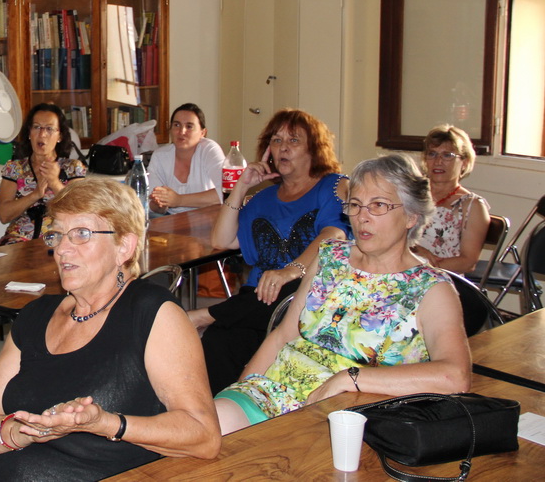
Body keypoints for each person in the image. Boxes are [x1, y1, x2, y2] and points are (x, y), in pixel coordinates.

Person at [0, 179, 220, 480]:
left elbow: (204, 436)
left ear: (124, 246)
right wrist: (22, 431)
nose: (62, 249)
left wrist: (106, 424)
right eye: (56, 235)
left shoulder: (151, 313)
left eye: (81, 234)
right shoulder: (35, 316)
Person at [214, 153, 472, 434]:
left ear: (412, 215)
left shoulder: (430, 288)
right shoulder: (330, 257)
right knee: (207, 425)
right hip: (272, 392)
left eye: (378, 205)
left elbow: (454, 376)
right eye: (356, 205)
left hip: (345, 415)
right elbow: (283, 336)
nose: (362, 217)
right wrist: (240, 388)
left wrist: (351, 378)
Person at [187, 109, 351, 393]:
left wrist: (291, 271)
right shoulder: (262, 198)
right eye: (276, 140)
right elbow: (222, 240)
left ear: (314, 148)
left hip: (307, 296)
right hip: (256, 301)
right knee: (219, 340)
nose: (283, 148)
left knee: (289, 290)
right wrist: (241, 186)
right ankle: (218, 411)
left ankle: (205, 314)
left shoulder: (333, 185)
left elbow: (334, 235)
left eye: (294, 140)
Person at [0, 103, 86, 245]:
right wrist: (35, 195)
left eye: (49, 129)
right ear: (29, 133)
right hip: (19, 239)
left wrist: (55, 183)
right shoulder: (14, 168)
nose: (42, 134)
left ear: (60, 136)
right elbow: (4, 215)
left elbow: (79, 210)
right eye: (37, 127)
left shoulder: (72, 168)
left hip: (59, 238)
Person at [411, 124, 490, 273]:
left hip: (440, 278)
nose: (438, 161)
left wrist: (420, 267)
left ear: (464, 162)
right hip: (399, 270)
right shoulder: (411, 193)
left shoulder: (472, 205)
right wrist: (413, 249)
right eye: (432, 154)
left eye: (447, 155)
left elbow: (468, 263)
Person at [148, 103, 226, 215]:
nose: (182, 131)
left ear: (202, 133)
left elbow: (226, 192)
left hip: (206, 217)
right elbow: (152, 205)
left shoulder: (209, 149)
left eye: (189, 126)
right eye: (176, 125)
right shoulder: (159, 156)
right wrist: (159, 203)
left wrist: (179, 200)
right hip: (171, 218)